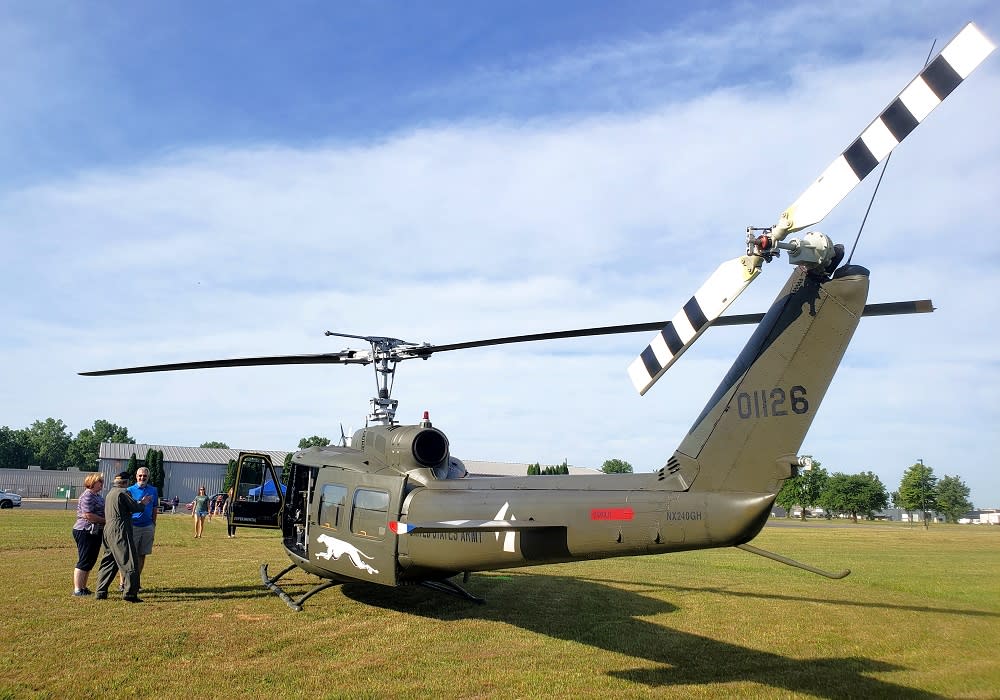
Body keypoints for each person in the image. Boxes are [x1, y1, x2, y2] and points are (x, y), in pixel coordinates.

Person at [93, 471, 152, 602]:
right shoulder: (123, 493)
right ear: (125, 482)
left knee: (109, 562)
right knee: (129, 560)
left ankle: (100, 591)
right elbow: (135, 507)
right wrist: (143, 502)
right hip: (120, 529)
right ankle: (130, 593)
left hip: (108, 529)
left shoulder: (110, 494)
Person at [71, 473, 106, 596]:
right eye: (99, 482)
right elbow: (88, 515)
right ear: (91, 482)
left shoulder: (97, 496)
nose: (101, 484)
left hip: (95, 531)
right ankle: (77, 589)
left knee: (90, 560)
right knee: (84, 559)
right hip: (85, 530)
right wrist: (106, 521)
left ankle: (83, 587)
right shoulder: (87, 496)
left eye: (101, 481)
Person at [124, 466, 158, 588]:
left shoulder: (153, 490)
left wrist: (153, 524)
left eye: (144, 476)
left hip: (147, 527)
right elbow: (126, 509)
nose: (142, 478)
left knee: (142, 554)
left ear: (148, 477)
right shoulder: (129, 490)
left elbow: (154, 508)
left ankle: (136, 582)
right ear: (136, 476)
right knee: (129, 555)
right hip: (133, 526)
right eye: (140, 475)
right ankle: (123, 583)